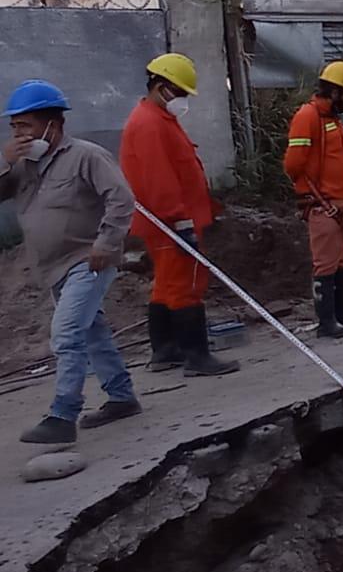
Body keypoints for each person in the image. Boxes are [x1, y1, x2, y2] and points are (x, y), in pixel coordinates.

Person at [2, 80, 139, 445]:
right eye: (14, 127)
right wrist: (6, 161)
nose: (19, 134)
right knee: (90, 329)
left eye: (25, 126)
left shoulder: (86, 156)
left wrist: (106, 242)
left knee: (66, 333)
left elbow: (122, 199)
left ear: (53, 125)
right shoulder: (23, 165)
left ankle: (63, 413)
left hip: (87, 261)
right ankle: (122, 396)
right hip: (54, 267)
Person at [120, 53, 239, 381]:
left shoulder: (157, 120)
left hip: (167, 220)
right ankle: (196, 355)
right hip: (170, 221)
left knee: (166, 285)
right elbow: (160, 180)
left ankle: (165, 349)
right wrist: (180, 222)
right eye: (180, 93)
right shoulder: (149, 124)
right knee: (186, 285)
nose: (183, 100)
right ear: (161, 87)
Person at [283, 61, 343, 338]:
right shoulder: (308, 117)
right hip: (323, 205)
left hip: (341, 203)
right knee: (325, 263)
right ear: (334, 92)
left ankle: (340, 315)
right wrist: (313, 196)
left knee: (339, 261)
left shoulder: (332, 121)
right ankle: (326, 323)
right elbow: (294, 165)